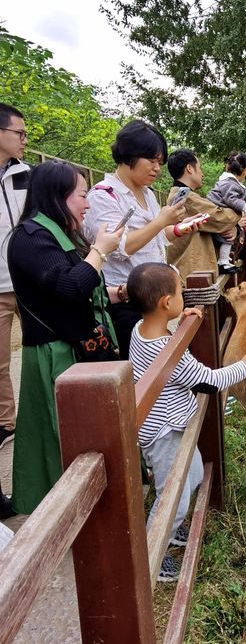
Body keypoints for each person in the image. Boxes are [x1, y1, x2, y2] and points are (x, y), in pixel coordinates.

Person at [126, 261, 246, 582]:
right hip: (164, 436)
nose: (185, 299)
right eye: (181, 293)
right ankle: (153, 556)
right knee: (171, 502)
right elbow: (207, 380)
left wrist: (178, 321)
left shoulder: (141, 330)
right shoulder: (168, 351)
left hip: (169, 428)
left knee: (191, 477)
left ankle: (170, 533)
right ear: (166, 303)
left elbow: (163, 332)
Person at [7, 161, 123, 514]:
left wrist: (120, 293)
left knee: (86, 438)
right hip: (54, 354)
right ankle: (67, 516)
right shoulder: (31, 238)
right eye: (82, 195)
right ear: (57, 195)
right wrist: (100, 251)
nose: (87, 205)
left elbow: (82, 291)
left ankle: (92, 510)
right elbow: (71, 288)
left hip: (80, 349)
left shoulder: (62, 233)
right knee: (63, 441)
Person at [84, 120, 203, 360]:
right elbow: (119, 247)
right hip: (125, 299)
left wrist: (179, 229)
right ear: (128, 155)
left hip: (153, 298)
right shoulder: (103, 196)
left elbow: (154, 237)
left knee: (163, 365)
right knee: (138, 371)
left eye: (159, 162)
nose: (157, 168)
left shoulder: (147, 194)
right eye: (151, 160)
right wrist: (160, 221)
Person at [166, 149, 243, 283]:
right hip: (193, 275)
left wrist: (234, 228)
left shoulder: (183, 195)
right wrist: (240, 208)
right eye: (200, 168)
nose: (202, 173)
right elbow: (221, 218)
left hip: (195, 272)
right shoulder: (186, 198)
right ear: (190, 168)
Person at [0, 102, 30, 451]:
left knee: (46, 350)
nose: (24, 139)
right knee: (1, 362)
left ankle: (48, 413)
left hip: (28, 282)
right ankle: (6, 424)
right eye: (18, 133)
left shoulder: (28, 175)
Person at [206, 152, 246, 274]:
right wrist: (245, 207)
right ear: (244, 170)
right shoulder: (229, 183)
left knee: (229, 238)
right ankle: (223, 262)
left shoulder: (229, 182)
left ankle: (224, 259)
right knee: (227, 238)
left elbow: (241, 194)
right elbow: (232, 199)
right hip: (219, 218)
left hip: (220, 216)